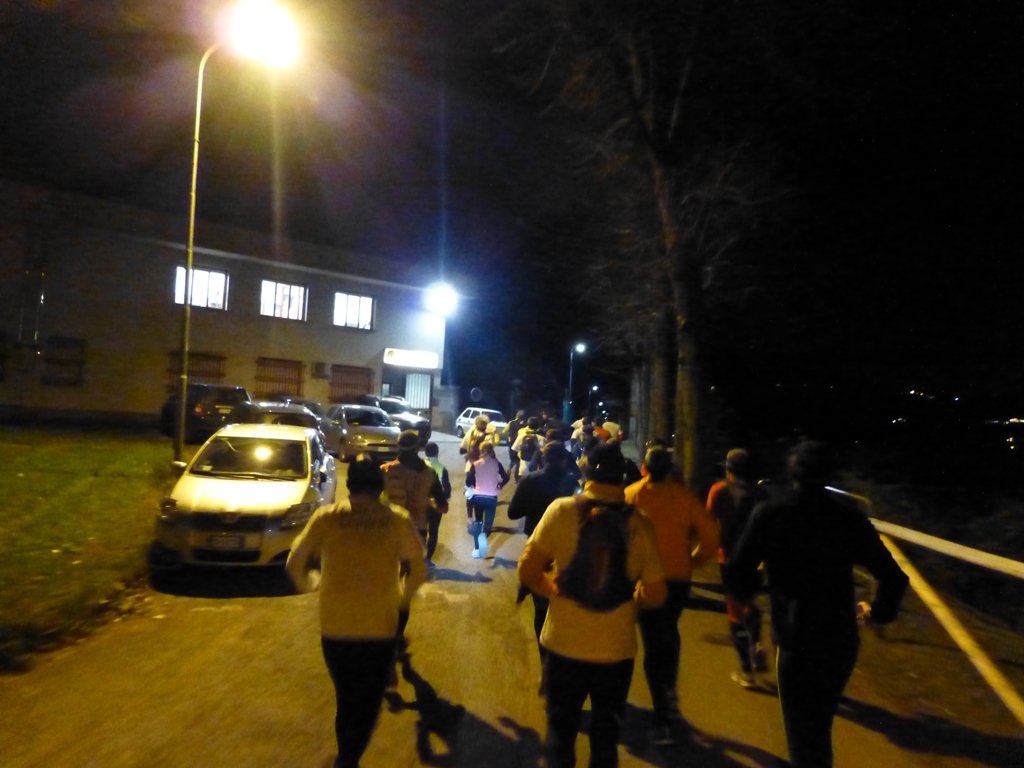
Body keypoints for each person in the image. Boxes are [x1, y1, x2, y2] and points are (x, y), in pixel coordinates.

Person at [724, 441, 909, 768]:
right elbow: (894, 578)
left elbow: (738, 573)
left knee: (803, 737)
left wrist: (756, 595)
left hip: (795, 638)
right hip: (839, 638)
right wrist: (878, 613)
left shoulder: (770, 513)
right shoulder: (849, 517)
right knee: (818, 728)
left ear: (791, 472)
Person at [519, 443, 666, 768]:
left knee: (560, 734)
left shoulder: (561, 511)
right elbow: (656, 594)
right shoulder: (640, 524)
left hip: (563, 645)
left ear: (586, 473)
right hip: (615, 650)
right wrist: (629, 601)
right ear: (622, 478)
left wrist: (553, 590)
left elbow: (528, 569)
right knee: (605, 738)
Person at [285, 456, 427, 768]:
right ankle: (349, 759)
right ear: (380, 486)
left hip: (335, 627)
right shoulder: (397, 519)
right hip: (379, 627)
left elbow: (295, 563)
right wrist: (402, 598)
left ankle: (346, 757)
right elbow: (418, 569)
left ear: (349, 485)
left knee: (346, 698)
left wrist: (313, 583)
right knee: (368, 701)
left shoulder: (327, 518)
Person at [624, 445, 719, 742]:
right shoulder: (684, 497)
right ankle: (668, 692)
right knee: (667, 633)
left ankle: (663, 716)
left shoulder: (632, 494)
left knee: (652, 642)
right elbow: (710, 535)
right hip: (678, 577)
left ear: (644, 468)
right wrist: (694, 559)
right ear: (671, 470)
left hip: (646, 578)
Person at [507, 443, 581, 669]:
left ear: (542, 460)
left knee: (541, 611)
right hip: (567, 552)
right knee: (565, 605)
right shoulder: (572, 483)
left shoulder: (530, 480)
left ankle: (546, 663)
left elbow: (513, 512)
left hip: (539, 550)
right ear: (563, 461)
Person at [382, 431, 449, 655]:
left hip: (388, 533)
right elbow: (443, 506)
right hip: (416, 535)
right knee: (405, 589)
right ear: (418, 447)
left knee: (385, 582)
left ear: (398, 447)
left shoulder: (386, 470)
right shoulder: (429, 474)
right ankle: (397, 635)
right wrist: (429, 505)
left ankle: (382, 630)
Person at [706, 448, 767, 687]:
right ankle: (757, 645)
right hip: (756, 559)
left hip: (729, 557)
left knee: (735, 610)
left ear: (729, 471)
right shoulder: (760, 494)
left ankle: (746, 671)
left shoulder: (720, 490)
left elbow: (710, 519)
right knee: (751, 600)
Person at [466, 441, 509, 558]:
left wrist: (474, 485)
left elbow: (468, 481)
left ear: (482, 451)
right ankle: (483, 537)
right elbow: (505, 477)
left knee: (478, 522)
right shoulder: (497, 464)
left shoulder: (476, 464)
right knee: (488, 523)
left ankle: (477, 549)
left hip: (478, 497)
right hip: (492, 497)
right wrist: (500, 484)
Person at [422, 441, 452, 567]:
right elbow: (447, 490)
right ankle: (427, 559)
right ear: (437, 452)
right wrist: (443, 501)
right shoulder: (441, 468)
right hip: (435, 505)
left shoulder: (420, 466)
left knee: (420, 531)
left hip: (420, 504)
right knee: (433, 532)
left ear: (425, 453)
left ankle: (419, 557)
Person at [503, 410, 527, 481]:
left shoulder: (511, 423)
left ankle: (509, 470)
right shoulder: (526, 424)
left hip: (512, 443)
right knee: (519, 460)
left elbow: (504, 431)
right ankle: (516, 476)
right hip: (521, 443)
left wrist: (509, 436)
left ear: (517, 416)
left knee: (513, 459)